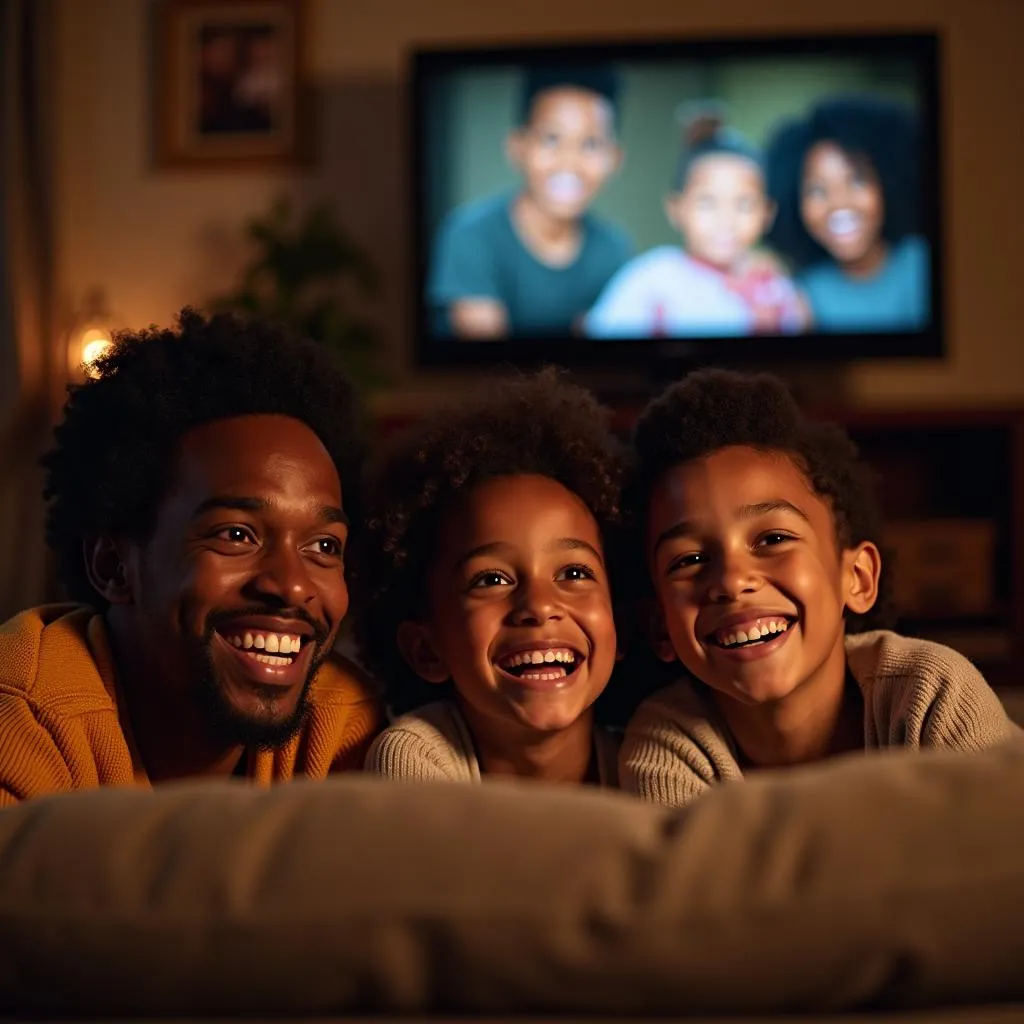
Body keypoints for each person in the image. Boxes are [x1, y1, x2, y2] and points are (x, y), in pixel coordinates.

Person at [0, 309, 382, 806]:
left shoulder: (340, 725)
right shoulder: (23, 720)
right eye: (236, 534)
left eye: (324, 546)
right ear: (113, 567)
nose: (292, 585)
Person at [618, 368, 1017, 806]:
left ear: (857, 578)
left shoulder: (929, 691)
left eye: (773, 539)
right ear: (659, 626)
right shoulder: (666, 747)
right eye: (690, 560)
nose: (731, 581)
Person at [354, 369, 629, 785]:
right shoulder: (410, 761)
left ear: (620, 627)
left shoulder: (659, 762)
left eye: (573, 572)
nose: (538, 606)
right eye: (491, 580)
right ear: (426, 650)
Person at [428, 65, 632, 338]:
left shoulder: (614, 248)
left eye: (591, 144)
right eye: (551, 139)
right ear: (517, 147)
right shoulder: (470, 234)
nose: (569, 162)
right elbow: (486, 364)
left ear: (614, 158)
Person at [585, 104, 805, 339]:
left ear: (766, 213)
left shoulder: (775, 287)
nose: (726, 219)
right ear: (676, 208)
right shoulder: (652, 279)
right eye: (707, 202)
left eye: (743, 204)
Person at [764, 94, 929, 332]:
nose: (839, 204)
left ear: (887, 182)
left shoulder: (921, 264)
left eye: (857, 181)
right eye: (818, 190)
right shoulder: (801, 294)